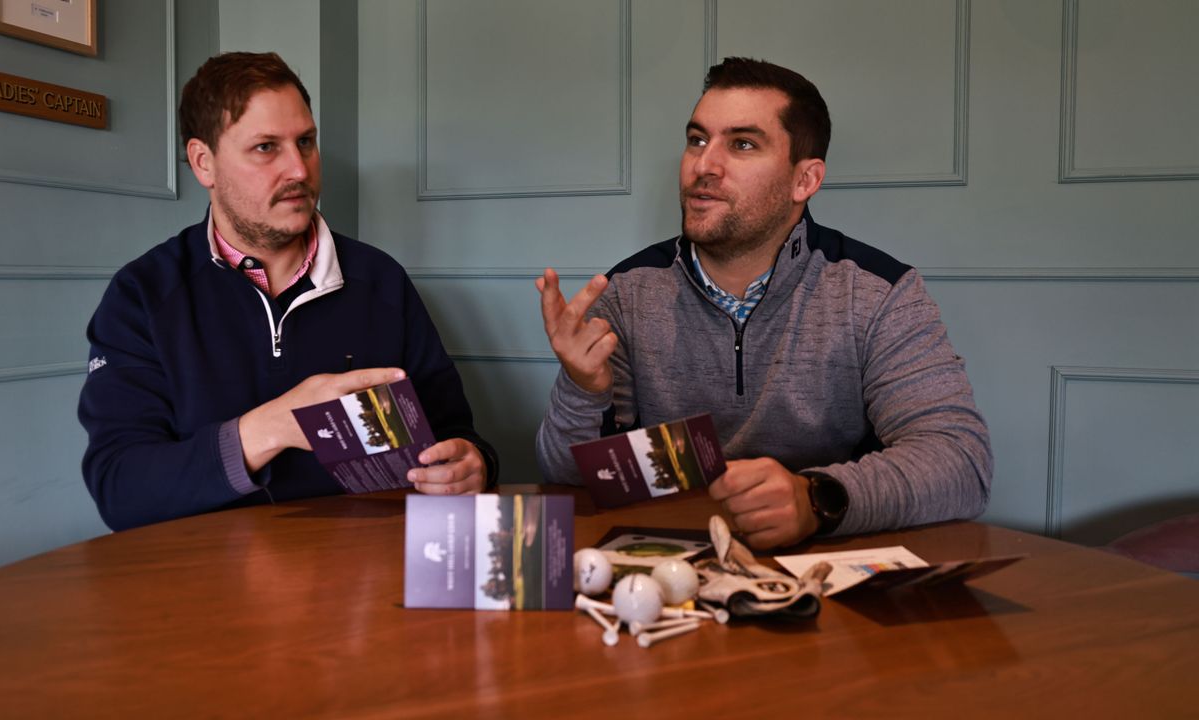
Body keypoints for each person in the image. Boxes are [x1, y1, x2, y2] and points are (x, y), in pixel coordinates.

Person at [535, 57, 991, 548]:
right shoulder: (626, 292)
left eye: (743, 144)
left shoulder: (878, 292)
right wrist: (584, 390)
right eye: (697, 139)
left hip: (828, 566)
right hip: (675, 569)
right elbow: (571, 477)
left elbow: (961, 461)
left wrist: (813, 498)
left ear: (805, 180)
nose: (703, 165)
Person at [79, 52, 496, 531]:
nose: (299, 169)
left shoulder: (381, 281)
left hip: (362, 578)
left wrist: (473, 464)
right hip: (207, 582)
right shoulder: (144, 296)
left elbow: (454, 435)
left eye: (306, 141)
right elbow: (121, 490)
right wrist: (272, 428)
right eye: (265, 148)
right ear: (203, 162)